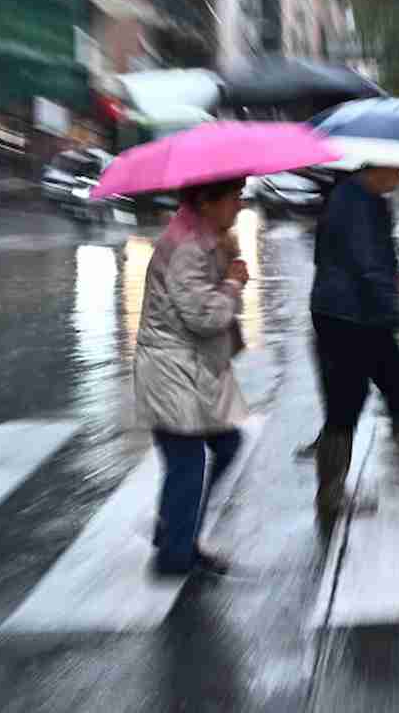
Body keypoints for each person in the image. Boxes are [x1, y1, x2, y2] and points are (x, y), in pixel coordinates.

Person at [134, 178, 250, 576]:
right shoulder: (187, 248)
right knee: (188, 462)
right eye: (235, 198)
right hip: (172, 371)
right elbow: (205, 317)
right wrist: (233, 283)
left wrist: (227, 260)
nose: (240, 205)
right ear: (206, 202)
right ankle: (175, 553)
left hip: (189, 370)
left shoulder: (203, 238)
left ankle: (175, 533)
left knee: (226, 443)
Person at [309, 165, 399, 518]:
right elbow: (368, 265)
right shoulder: (355, 202)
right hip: (347, 316)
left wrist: (392, 284)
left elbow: (364, 261)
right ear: (377, 165)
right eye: (397, 167)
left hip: (360, 314)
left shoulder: (366, 198)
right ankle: (329, 495)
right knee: (346, 403)